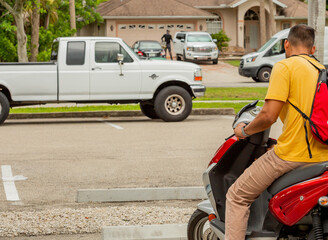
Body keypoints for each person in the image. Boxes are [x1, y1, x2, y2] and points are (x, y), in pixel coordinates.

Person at [225, 24, 328, 240]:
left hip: (293, 155)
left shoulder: (284, 67)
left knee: (236, 195)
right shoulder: (321, 70)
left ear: (286, 44)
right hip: (322, 154)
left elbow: (268, 116)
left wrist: (244, 131)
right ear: (313, 48)